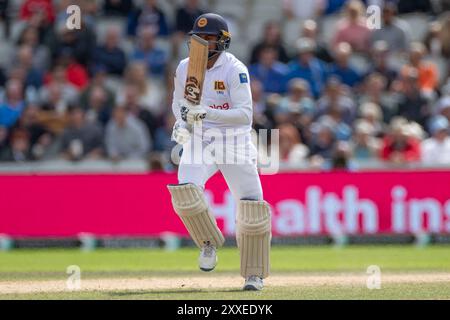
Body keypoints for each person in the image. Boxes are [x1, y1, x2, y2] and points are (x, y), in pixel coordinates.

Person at [168, 13, 271, 291]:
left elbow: (245, 116)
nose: (201, 43)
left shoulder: (234, 69)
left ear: (223, 41)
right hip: (200, 140)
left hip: (234, 141)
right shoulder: (185, 67)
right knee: (185, 193)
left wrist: (207, 112)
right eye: (197, 38)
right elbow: (179, 102)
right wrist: (182, 121)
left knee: (252, 210)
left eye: (209, 38)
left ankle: (254, 273)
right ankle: (208, 242)